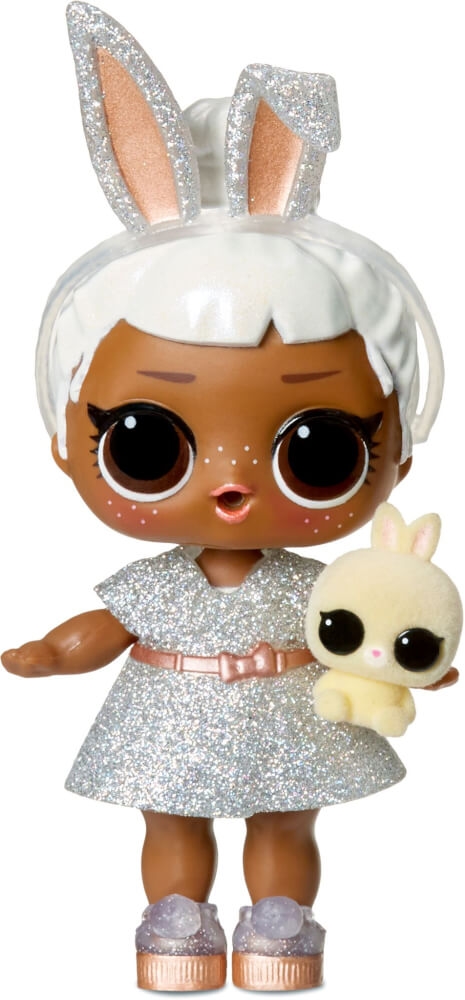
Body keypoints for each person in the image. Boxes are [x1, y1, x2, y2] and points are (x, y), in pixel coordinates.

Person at [1, 2, 450, 992]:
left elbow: (371, 626)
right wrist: (50, 652)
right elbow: (105, 627)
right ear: (67, 451)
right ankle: (177, 919)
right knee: (172, 820)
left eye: (319, 450)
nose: (232, 480)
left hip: (294, 713)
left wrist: (407, 658)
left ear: (397, 459)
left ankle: (282, 925)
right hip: (169, 716)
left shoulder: (317, 583)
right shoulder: (159, 583)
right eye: (148, 445)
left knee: (287, 822)